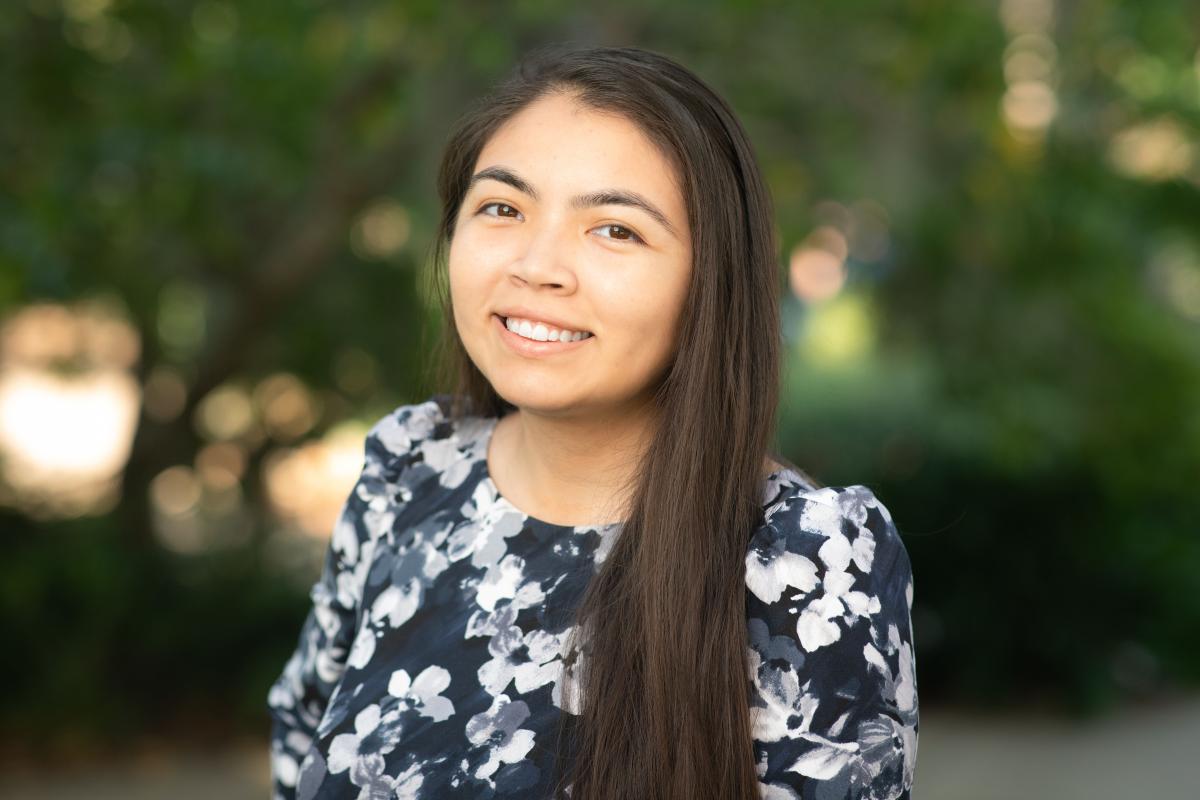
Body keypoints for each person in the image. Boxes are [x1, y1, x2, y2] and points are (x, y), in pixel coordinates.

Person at [266, 43, 918, 800]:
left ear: (710, 281)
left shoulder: (806, 562)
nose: (538, 266)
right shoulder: (410, 468)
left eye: (615, 229)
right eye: (502, 208)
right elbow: (300, 738)